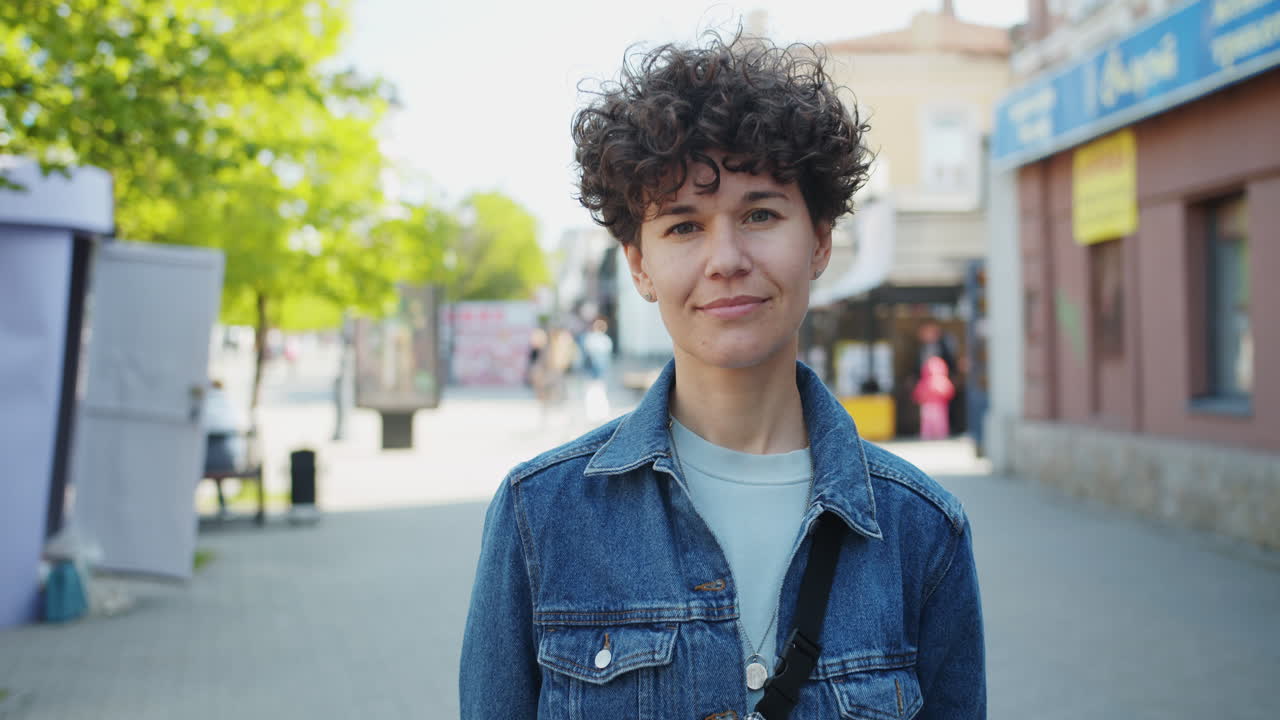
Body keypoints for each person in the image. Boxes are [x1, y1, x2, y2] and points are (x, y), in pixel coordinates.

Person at [460, 33, 984, 719]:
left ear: (820, 240)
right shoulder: (540, 518)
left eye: (760, 214)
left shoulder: (922, 530)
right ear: (639, 264)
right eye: (683, 227)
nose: (726, 258)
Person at [913, 356, 955, 440]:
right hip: (935, 405)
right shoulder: (941, 380)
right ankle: (937, 435)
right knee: (935, 422)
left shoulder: (931, 381)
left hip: (934, 405)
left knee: (932, 422)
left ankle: (930, 435)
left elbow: (917, 393)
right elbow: (950, 392)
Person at [580, 317, 614, 422]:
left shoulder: (592, 339)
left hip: (596, 369)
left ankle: (597, 412)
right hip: (597, 369)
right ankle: (598, 412)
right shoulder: (604, 340)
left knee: (595, 390)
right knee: (597, 389)